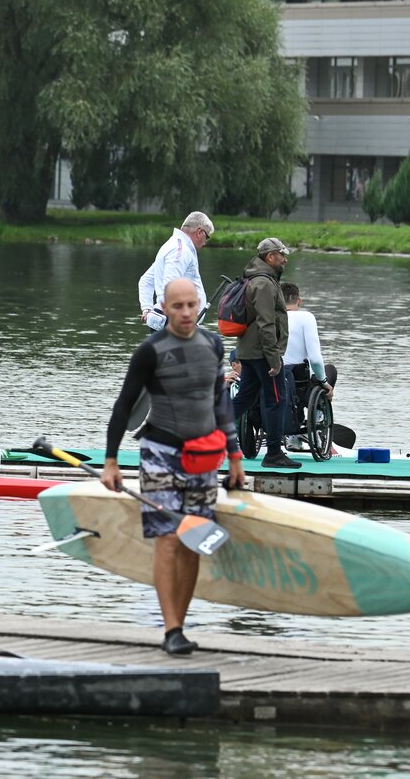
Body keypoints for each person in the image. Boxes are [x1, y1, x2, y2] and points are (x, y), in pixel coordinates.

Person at [102, 278, 246, 656]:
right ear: (164, 308)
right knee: (167, 540)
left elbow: (221, 405)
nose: (185, 313)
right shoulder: (151, 350)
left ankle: (179, 624)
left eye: (190, 305)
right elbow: (123, 405)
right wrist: (111, 461)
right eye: (177, 306)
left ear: (199, 305)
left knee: (192, 542)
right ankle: (171, 630)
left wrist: (234, 456)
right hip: (160, 453)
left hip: (204, 457)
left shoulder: (213, 345)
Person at [231, 238, 298, 469]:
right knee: (277, 399)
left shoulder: (256, 279)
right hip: (263, 353)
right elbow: (266, 324)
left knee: (245, 398)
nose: (285, 259)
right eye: (282, 255)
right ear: (270, 257)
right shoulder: (264, 284)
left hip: (250, 351)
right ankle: (273, 453)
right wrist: (274, 359)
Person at [281, 282, 337, 450]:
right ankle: (317, 418)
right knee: (329, 370)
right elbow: (315, 358)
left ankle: (293, 436)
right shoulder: (306, 317)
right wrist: (324, 382)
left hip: (275, 377)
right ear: (300, 301)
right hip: (300, 383)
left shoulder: (271, 317)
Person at [138, 211, 215, 330]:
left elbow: (145, 280)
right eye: (207, 237)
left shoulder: (172, 245)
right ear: (200, 232)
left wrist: (147, 309)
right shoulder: (181, 250)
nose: (205, 243)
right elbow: (170, 287)